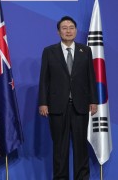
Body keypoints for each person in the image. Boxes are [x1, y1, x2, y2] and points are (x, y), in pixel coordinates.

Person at [39, 16, 98, 180]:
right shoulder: (49, 51)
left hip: (80, 106)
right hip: (57, 106)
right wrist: (43, 102)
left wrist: (93, 100)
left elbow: (91, 78)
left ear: (76, 30)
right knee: (60, 148)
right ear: (58, 32)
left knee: (81, 148)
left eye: (71, 27)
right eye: (64, 28)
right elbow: (44, 79)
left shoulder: (85, 51)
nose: (68, 30)